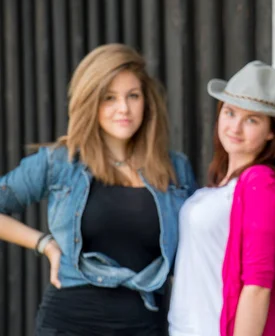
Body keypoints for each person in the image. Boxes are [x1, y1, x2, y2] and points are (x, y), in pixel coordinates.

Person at [0, 43, 197, 336]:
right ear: (91, 101)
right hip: (70, 323)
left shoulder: (174, 169)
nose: (124, 109)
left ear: (147, 101)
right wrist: (46, 244)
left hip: (145, 324)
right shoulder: (61, 162)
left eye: (133, 96)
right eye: (109, 98)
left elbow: (195, 249)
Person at [168, 61, 275, 336]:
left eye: (252, 119)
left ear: (272, 131)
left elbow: (258, 285)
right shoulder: (223, 186)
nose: (235, 127)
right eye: (230, 113)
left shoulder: (260, 183)